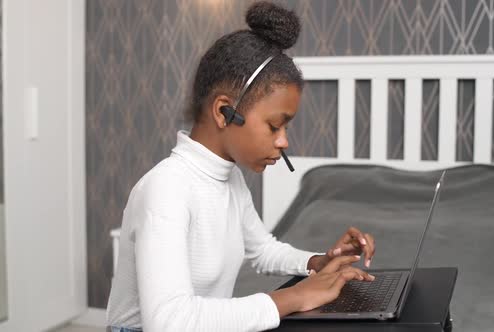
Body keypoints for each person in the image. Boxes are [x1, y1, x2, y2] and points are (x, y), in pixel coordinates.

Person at [106, 2, 376, 331]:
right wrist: (292, 298)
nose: (284, 142)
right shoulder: (167, 189)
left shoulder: (229, 179)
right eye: (275, 126)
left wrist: (318, 262)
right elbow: (168, 322)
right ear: (224, 112)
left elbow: (262, 250)